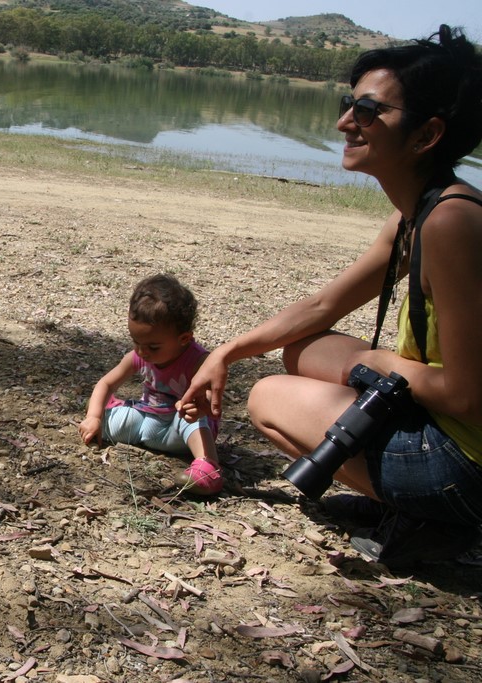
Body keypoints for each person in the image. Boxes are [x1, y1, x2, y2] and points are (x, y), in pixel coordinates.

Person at [178, 25, 482, 567]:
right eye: (349, 104)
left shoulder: (452, 223)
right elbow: (322, 307)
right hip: (448, 419)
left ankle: (432, 515)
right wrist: (226, 352)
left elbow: (466, 395)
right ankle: (405, 499)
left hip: (467, 461)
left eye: (367, 111)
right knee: (303, 348)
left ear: (426, 135)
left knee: (267, 398)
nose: (345, 122)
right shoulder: (419, 214)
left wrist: (379, 363)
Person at [80, 273, 222, 495]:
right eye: (136, 342)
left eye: (153, 347)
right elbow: (107, 383)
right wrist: (94, 417)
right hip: (146, 420)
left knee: (193, 420)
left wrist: (199, 406)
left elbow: (212, 399)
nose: (142, 351)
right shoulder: (139, 355)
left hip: (180, 430)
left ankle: (208, 467)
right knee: (102, 417)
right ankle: (105, 415)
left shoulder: (199, 361)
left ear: (184, 339)